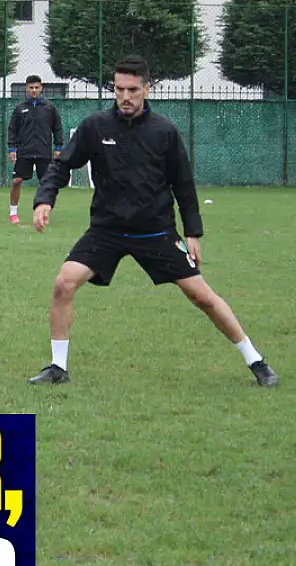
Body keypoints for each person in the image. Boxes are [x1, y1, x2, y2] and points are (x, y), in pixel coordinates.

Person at [29, 55, 278, 388]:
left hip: (156, 231)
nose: (125, 96)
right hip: (106, 230)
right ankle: (58, 368)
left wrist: (192, 233)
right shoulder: (95, 126)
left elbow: (183, 185)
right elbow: (62, 165)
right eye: (119, 89)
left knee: (202, 297)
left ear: (147, 88)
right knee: (64, 283)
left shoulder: (165, 131)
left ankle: (257, 361)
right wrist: (45, 199)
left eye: (133, 90)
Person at [7, 74, 63, 224]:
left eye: (36, 87)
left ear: (41, 88)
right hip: (24, 151)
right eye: (31, 87)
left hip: (43, 151)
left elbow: (57, 128)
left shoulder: (50, 107)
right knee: (17, 181)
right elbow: (12, 129)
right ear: (26, 89)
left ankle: (43, 213)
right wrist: (12, 149)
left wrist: (58, 147)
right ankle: (13, 213)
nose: (34, 90)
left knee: (46, 183)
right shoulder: (20, 108)